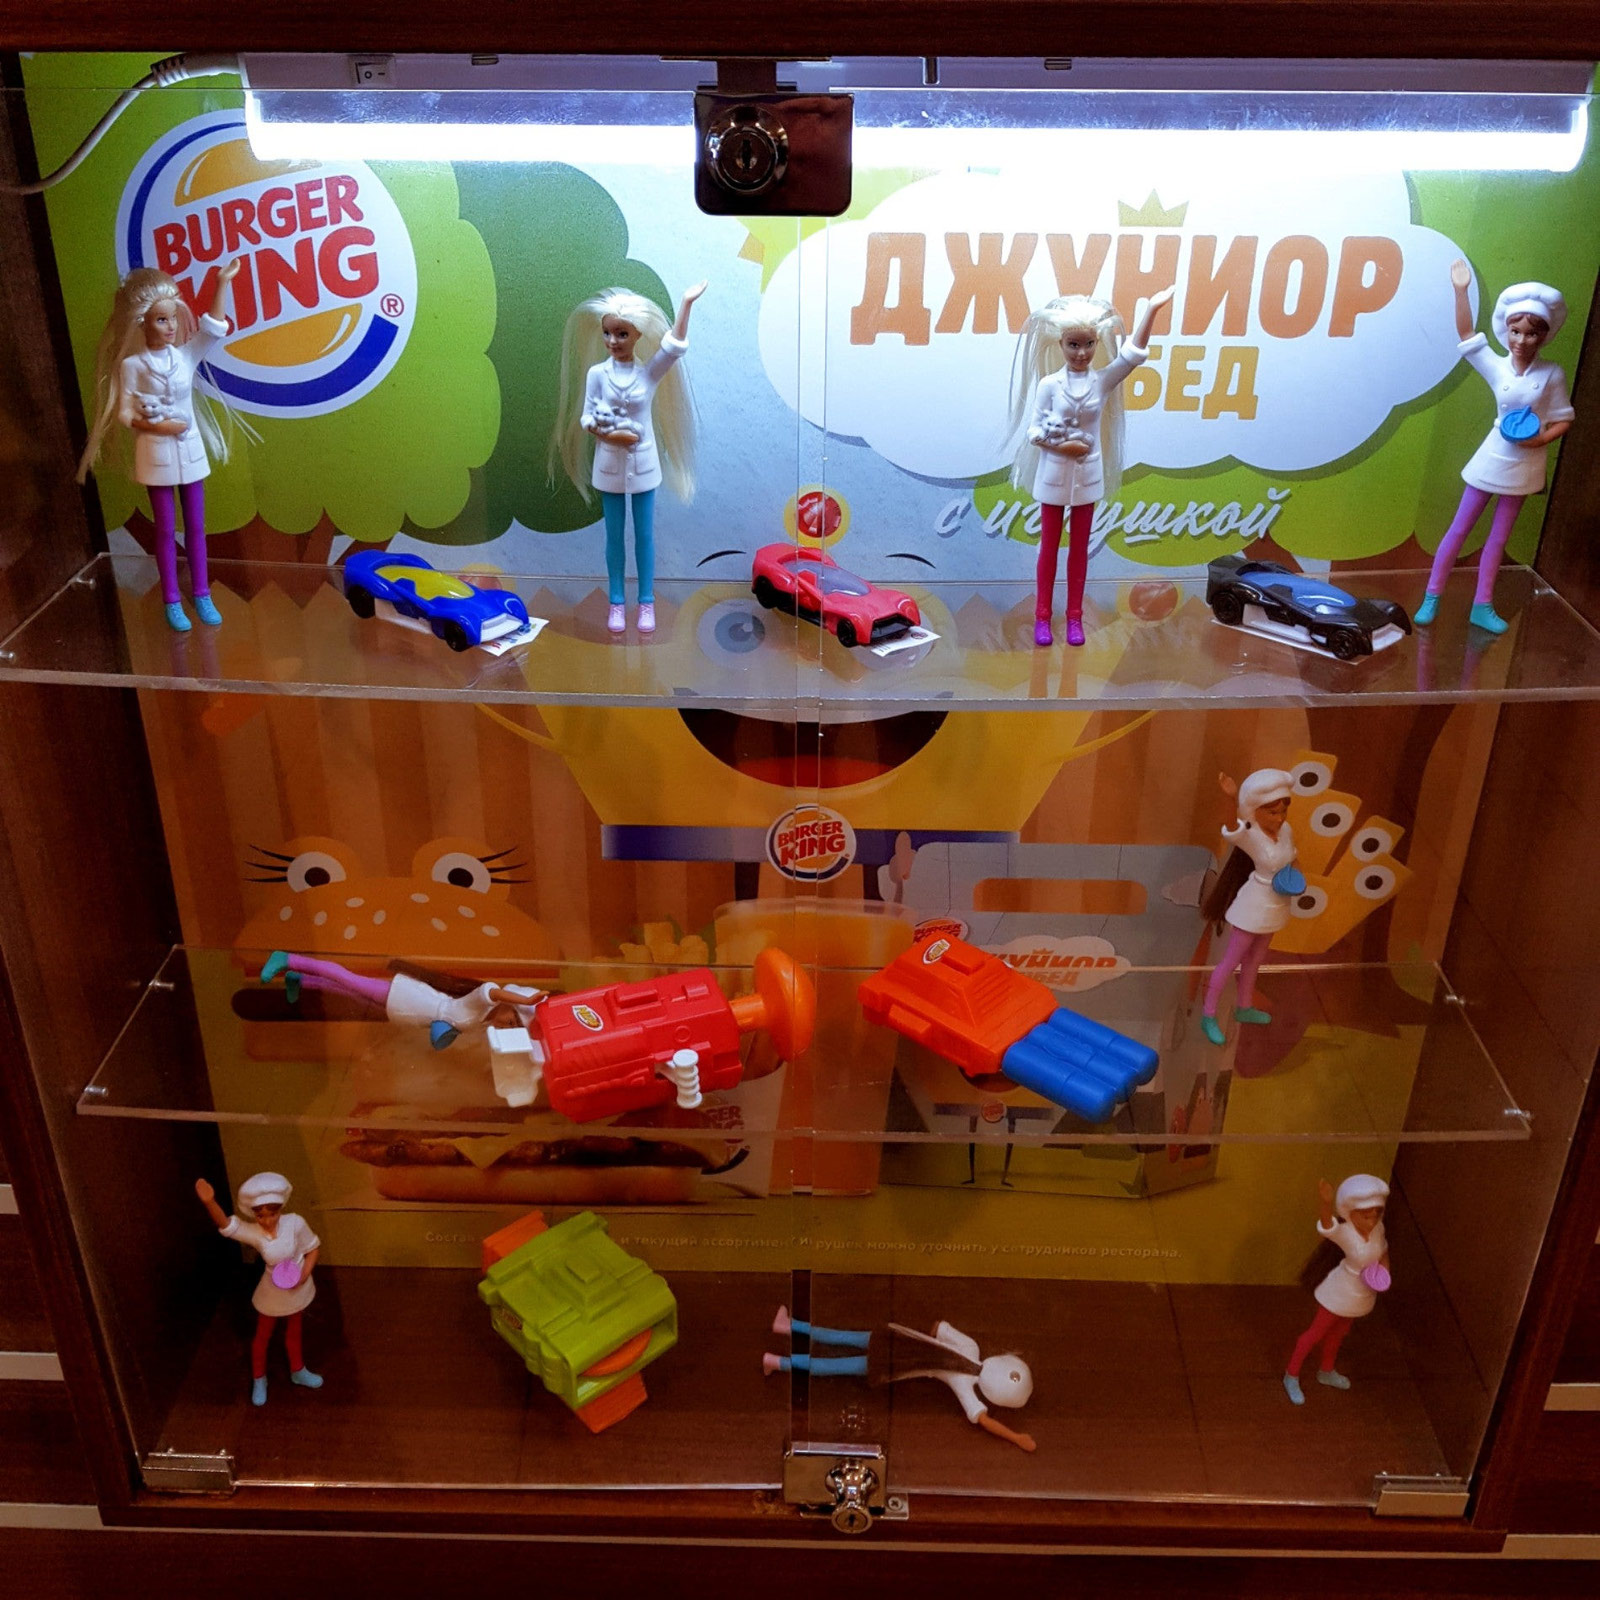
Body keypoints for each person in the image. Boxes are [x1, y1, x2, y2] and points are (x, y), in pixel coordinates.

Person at [76, 259, 247, 632]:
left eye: (172, 318)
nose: (170, 327)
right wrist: (155, 425)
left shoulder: (185, 355)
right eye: (161, 320)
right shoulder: (133, 366)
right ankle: (172, 599)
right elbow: (124, 413)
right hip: (155, 455)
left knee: (197, 527)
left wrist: (221, 284)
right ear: (142, 323)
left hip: (190, 453)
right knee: (166, 530)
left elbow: (213, 329)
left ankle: (201, 592)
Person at [1006, 285, 1175, 647]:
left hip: (1087, 476)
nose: (1081, 353)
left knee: (1080, 550)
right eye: (1073, 344)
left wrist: (1150, 311)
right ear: (1061, 344)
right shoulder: (1050, 385)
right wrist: (1061, 445)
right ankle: (1042, 617)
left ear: (1097, 343)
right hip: (1053, 475)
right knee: (1048, 549)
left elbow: (1132, 356)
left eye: (1088, 344)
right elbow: (1034, 431)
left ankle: (1074, 618)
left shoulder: (1101, 382)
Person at [1416, 266, 1574, 636]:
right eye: (1516, 331)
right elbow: (1466, 333)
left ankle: (1482, 605)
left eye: (1531, 333)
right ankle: (1431, 595)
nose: (1521, 340)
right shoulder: (1497, 367)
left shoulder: (1551, 374)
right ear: (1507, 330)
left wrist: (1540, 440)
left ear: (1543, 336)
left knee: (1499, 538)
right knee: (1459, 529)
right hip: (1492, 458)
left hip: (1526, 463)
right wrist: (1460, 290)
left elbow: (1564, 418)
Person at [548, 281, 705, 635]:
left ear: (637, 335)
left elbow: (674, 347)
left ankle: (646, 601)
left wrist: (685, 304)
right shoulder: (597, 375)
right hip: (609, 465)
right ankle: (617, 602)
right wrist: (606, 433)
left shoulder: (647, 374)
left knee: (644, 537)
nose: (613, 341)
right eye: (608, 333)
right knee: (614, 538)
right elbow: (587, 417)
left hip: (644, 466)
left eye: (622, 334)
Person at [761, 1307, 1036, 1451]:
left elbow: (938, 1327)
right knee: (832, 1366)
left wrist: (923, 1346)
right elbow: (983, 1420)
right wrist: (1016, 1437)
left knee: (838, 1336)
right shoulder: (964, 1385)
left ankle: (787, 1325)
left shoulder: (971, 1347)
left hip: (895, 1340)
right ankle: (777, 1362)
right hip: (890, 1366)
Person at [195, 1172, 323, 1407]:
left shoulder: (295, 1223)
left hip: (296, 1286)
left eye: (272, 1214)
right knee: (262, 1335)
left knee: (294, 1331)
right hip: (273, 1290)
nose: (266, 1220)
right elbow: (227, 1225)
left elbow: (312, 1248)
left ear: (280, 1209)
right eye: (260, 1215)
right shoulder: (255, 1232)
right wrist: (209, 1202)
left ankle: (298, 1370)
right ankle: (259, 1378)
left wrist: (304, 1275)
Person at [1198, 768, 1300, 1047]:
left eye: (1283, 811)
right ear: (1255, 811)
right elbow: (1233, 827)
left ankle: (1244, 1006)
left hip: (1277, 903)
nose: (1279, 818)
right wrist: (1232, 798)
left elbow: (1292, 857)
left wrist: (1296, 878)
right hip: (1254, 906)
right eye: (1272, 812)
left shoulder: (1286, 832)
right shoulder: (1251, 834)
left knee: (1255, 960)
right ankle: (1208, 1014)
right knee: (1230, 961)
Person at [1284, 1174, 1391, 1406]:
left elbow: (1383, 1250)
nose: (1372, 1220)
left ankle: (1326, 1370)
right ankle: (1291, 1374)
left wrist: (1384, 1273)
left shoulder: (1378, 1230)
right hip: (1339, 1292)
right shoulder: (1346, 1233)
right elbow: (1327, 1227)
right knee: (1315, 1334)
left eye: (1376, 1214)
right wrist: (1325, 1203)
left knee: (1339, 1333)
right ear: (1351, 1213)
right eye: (1366, 1216)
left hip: (1361, 1293)